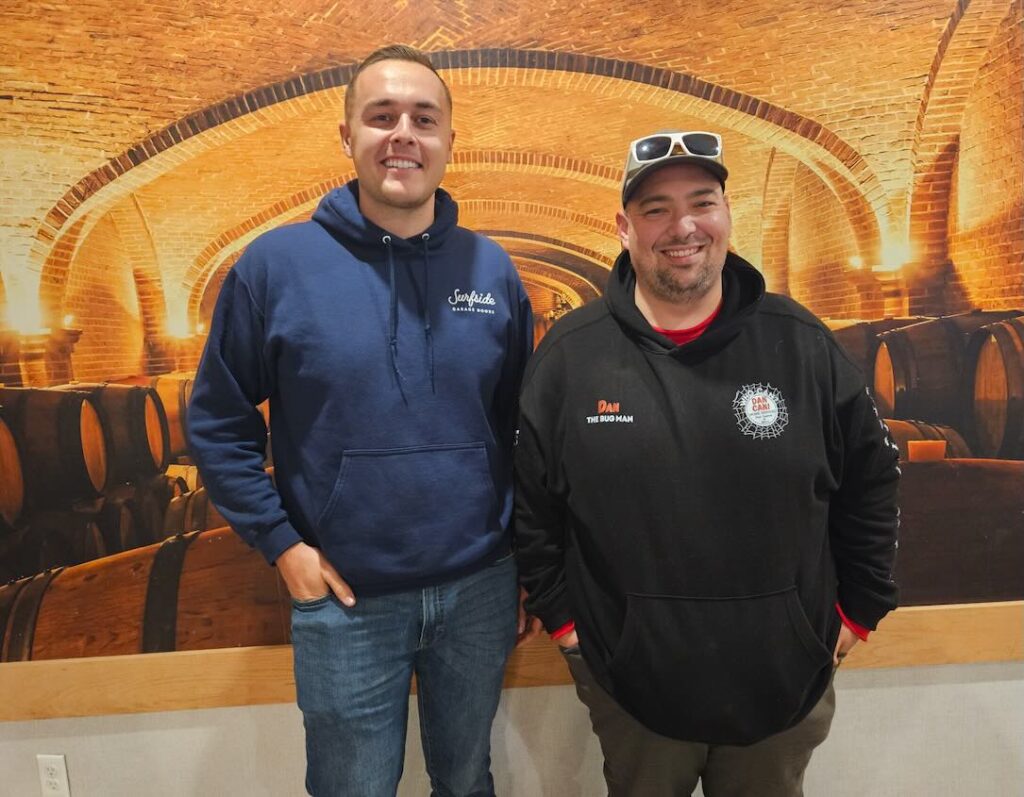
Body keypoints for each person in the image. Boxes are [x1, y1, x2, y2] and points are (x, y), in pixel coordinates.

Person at [188, 45, 533, 797]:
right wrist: (282, 545)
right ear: (347, 137)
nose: (403, 133)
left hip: (479, 588)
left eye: (423, 118)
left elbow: (521, 429)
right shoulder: (274, 265)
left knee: (468, 779)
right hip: (345, 602)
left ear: (448, 141)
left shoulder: (493, 270)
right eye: (382, 117)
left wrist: (522, 561)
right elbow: (218, 418)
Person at [514, 130, 900, 797]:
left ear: (727, 215)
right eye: (656, 208)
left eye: (701, 201)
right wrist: (572, 631)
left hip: (783, 685)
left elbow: (873, 482)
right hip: (633, 690)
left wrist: (857, 612)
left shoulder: (802, 344)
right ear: (624, 228)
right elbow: (531, 512)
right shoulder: (570, 359)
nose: (683, 226)